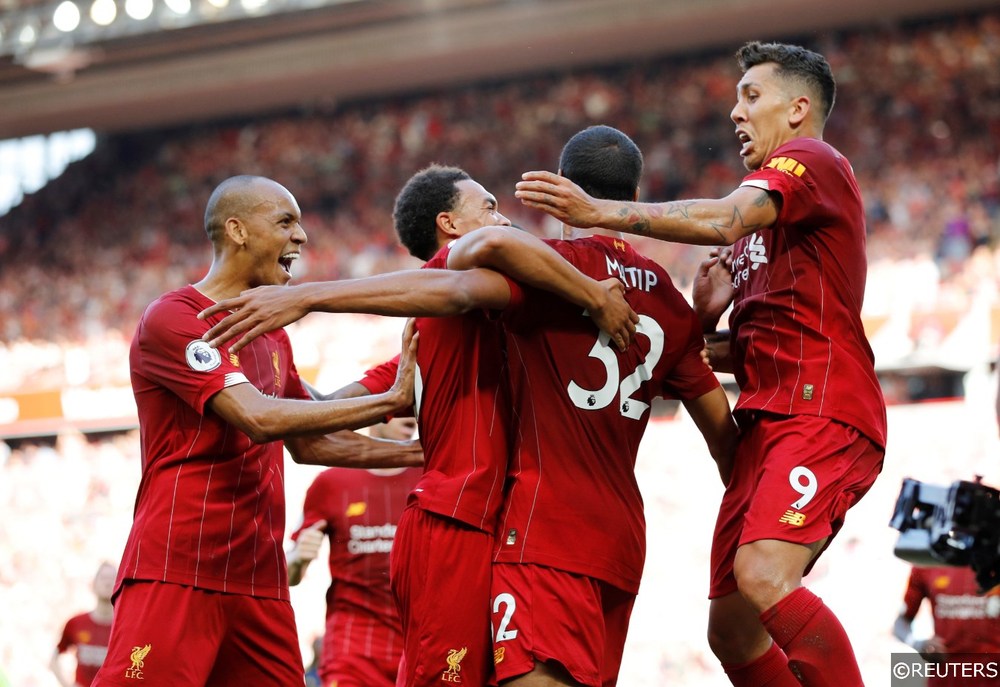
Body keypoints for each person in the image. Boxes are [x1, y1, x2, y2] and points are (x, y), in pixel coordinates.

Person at [514, 42, 887, 687]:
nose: (736, 113)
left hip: (819, 410)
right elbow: (754, 339)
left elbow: (720, 219)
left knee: (766, 574)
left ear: (799, 108)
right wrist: (709, 317)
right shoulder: (766, 232)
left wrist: (597, 212)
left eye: (752, 96)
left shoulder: (810, 161)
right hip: (765, 424)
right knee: (732, 632)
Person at [199, 165, 638, 687]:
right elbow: (325, 411)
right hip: (454, 521)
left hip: (514, 532)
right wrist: (256, 359)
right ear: (450, 225)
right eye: (489, 207)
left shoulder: (496, 306)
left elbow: (324, 405)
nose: (504, 220)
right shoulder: (445, 297)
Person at [92, 175, 421, 687]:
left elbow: (314, 434)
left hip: (259, 580)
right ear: (238, 230)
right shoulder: (176, 318)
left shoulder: (271, 335)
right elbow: (261, 417)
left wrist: (421, 445)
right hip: (180, 568)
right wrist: (393, 400)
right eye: (286, 221)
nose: (302, 237)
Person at [443, 125, 738, 686]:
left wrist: (307, 297)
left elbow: (463, 263)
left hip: (544, 531)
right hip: (621, 541)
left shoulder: (544, 268)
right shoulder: (669, 301)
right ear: (632, 193)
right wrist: (700, 323)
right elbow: (725, 438)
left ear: (562, 194)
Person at [287, 417, 422, 687]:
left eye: (414, 405)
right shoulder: (331, 482)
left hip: (419, 645)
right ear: (376, 413)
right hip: (352, 648)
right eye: (400, 406)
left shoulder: (429, 477)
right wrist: (299, 558)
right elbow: (289, 574)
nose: (410, 414)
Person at [893, 564, 1000, 686]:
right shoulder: (930, 560)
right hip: (946, 678)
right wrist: (918, 643)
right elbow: (900, 623)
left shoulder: (994, 558)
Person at [50, 562, 117, 687]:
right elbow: (54, 658)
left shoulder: (124, 629)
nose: (107, 583)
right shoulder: (76, 623)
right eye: (103, 578)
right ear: (94, 584)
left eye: (112, 578)